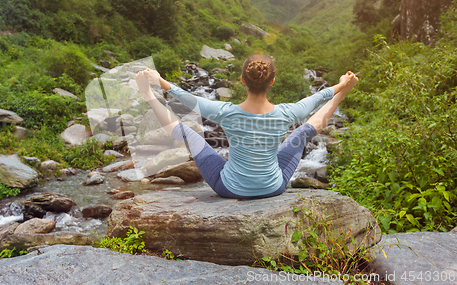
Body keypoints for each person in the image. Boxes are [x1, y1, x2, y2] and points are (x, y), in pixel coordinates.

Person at [135, 54, 358, 199]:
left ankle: (147, 96)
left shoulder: (225, 112)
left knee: (186, 132)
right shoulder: (287, 113)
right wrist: (341, 87)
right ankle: (343, 97)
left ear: (243, 80)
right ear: (272, 82)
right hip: (273, 187)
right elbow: (319, 97)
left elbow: (188, 99)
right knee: (304, 132)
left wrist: (157, 83)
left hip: (230, 189)